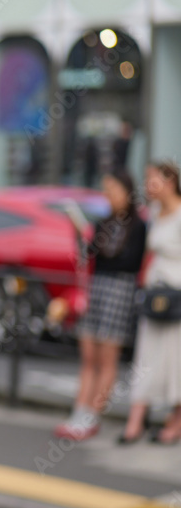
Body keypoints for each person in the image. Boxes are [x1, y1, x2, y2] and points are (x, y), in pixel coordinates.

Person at [55, 170, 146, 441]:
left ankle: (92, 415)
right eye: (105, 191)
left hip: (119, 291)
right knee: (88, 357)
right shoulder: (103, 222)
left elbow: (130, 262)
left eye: (112, 191)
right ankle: (78, 411)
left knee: (107, 359)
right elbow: (88, 255)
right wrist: (78, 232)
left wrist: (102, 248)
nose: (108, 197)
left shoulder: (138, 226)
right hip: (97, 288)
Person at [121, 161, 181, 445]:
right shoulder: (155, 213)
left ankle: (175, 421)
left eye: (152, 179)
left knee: (175, 361)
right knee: (146, 357)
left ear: (169, 181)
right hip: (153, 294)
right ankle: (136, 419)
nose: (147, 186)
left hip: (177, 298)